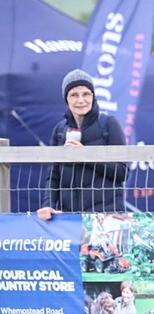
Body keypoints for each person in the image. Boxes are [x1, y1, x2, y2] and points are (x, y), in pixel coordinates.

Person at [36, 69, 128, 220]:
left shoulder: (109, 124)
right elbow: (53, 177)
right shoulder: (60, 130)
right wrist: (49, 204)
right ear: (66, 99)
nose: (81, 100)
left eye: (86, 94)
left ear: (93, 96)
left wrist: (85, 155)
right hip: (70, 219)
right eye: (74, 95)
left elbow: (122, 172)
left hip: (106, 219)